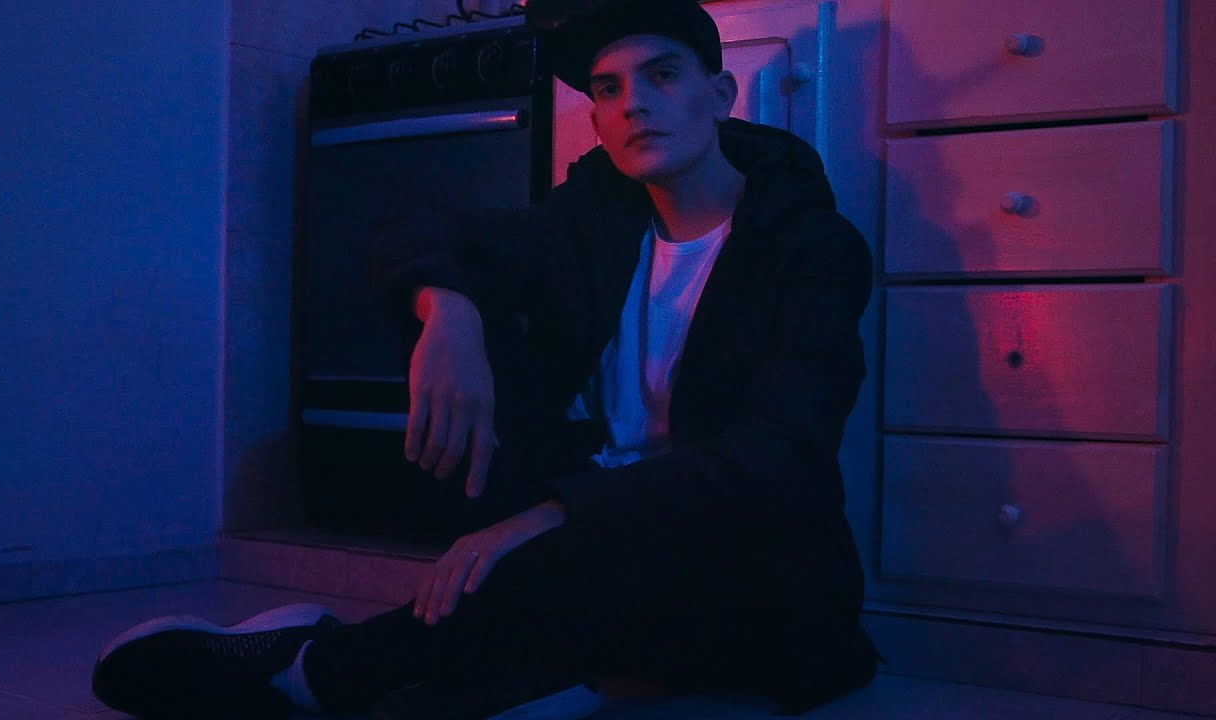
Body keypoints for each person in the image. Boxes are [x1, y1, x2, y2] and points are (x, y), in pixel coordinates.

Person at [89, 0, 879, 717]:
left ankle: (313, 669)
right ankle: (499, 674)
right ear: (598, 118)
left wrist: (551, 514)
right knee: (450, 306)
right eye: (607, 89)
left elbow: (773, 457)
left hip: (735, 554)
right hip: (593, 523)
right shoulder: (597, 215)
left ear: (721, 94)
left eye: (662, 75)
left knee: (582, 568)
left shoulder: (810, 248)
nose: (633, 103)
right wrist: (450, 312)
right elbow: (418, 233)